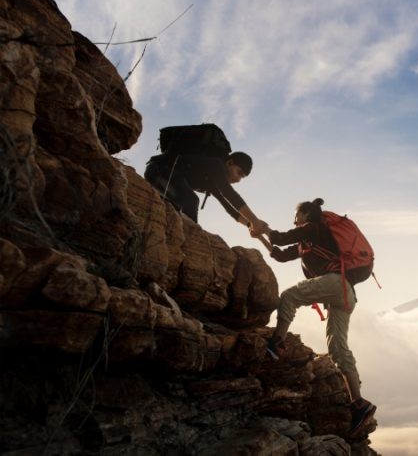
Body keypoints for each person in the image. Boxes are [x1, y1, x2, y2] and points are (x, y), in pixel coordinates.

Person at [264, 198, 376, 436]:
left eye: (297, 216)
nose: (295, 221)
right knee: (338, 348)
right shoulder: (309, 240)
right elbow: (282, 254)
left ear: (306, 215)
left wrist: (265, 229)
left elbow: (283, 237)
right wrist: (264, 240)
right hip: (346, 294)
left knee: (289, 296)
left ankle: (276, 343)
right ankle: (359, 403)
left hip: (336, 285)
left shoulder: (316, 228)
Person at [144, 151, 268, 235]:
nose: (238, 179)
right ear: (229, 163)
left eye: (242, 177)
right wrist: (255, 220)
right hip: (158, 171)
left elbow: (229, 207)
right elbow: (228, 193)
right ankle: (190, 240)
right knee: (191, 200)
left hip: (169, 180)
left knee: (181, 205)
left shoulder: (212, 181)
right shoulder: (216, 164)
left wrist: (250, 224)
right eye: (239, 173)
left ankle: (178, 237)